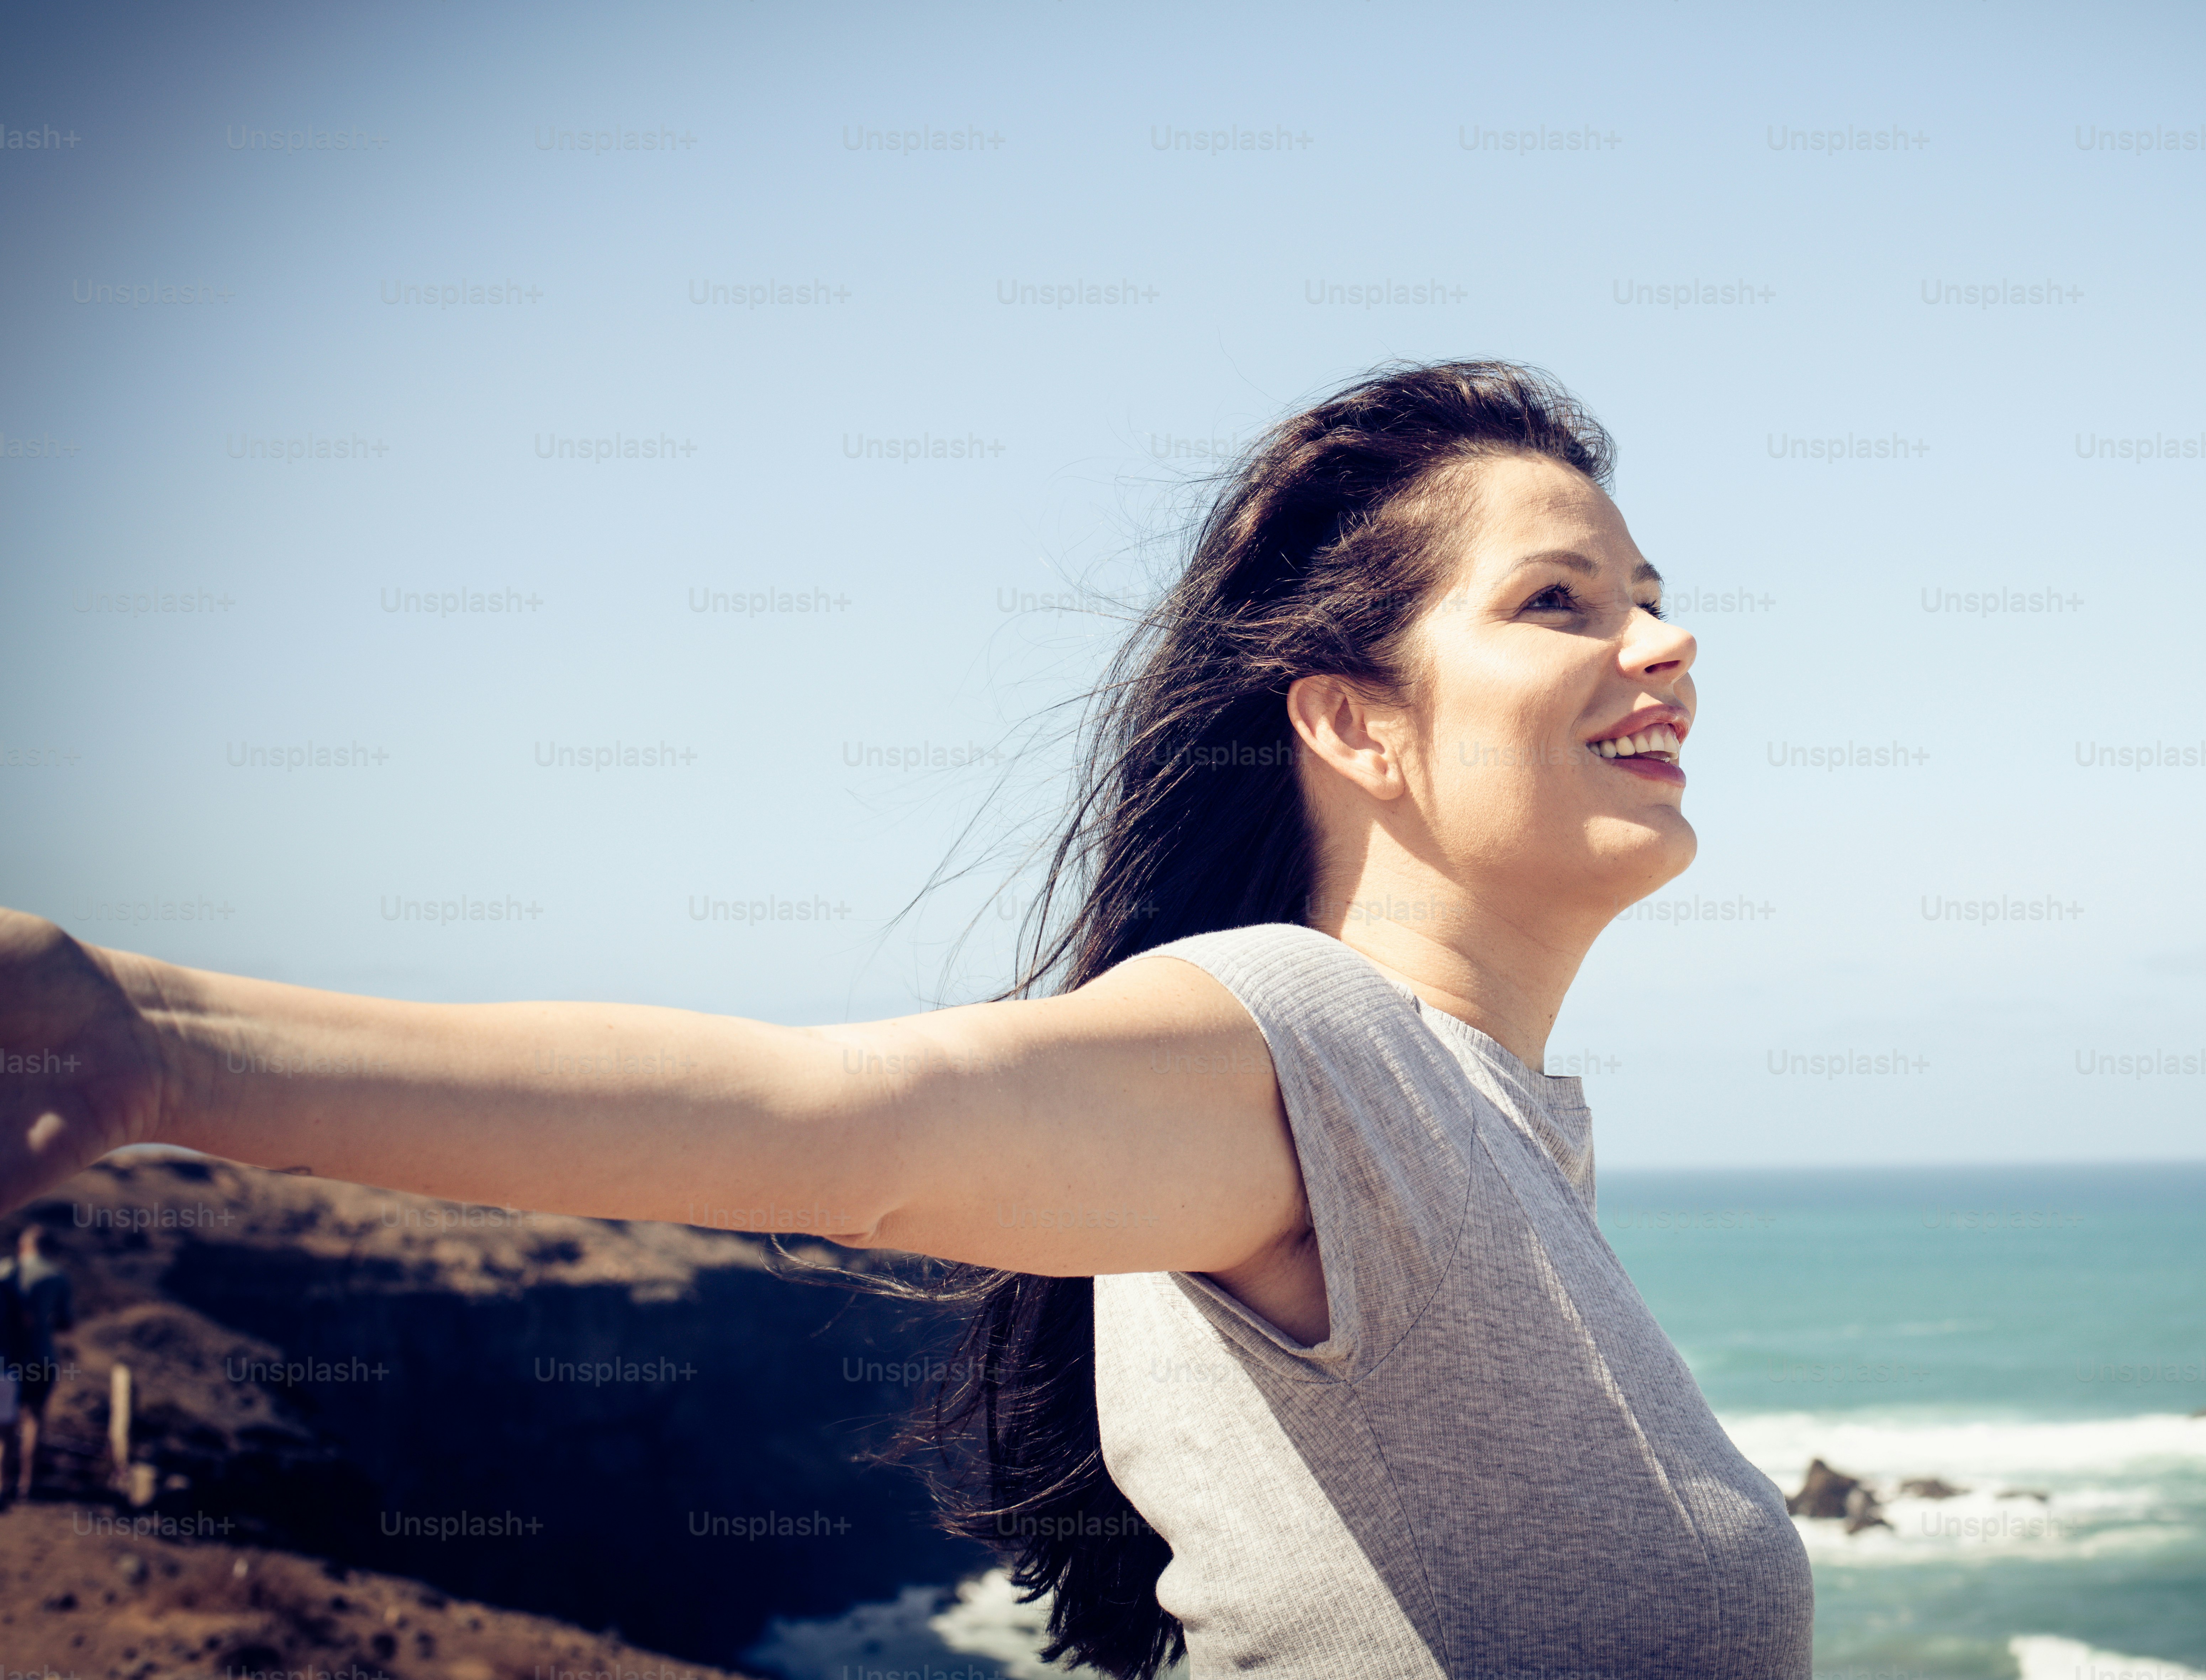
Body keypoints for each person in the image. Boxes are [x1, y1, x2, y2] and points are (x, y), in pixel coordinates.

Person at [0, 361, 1813, 1678]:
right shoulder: (1307, 1040)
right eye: (1560, 601)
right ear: (1352, 721)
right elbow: (836, 1124)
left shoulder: (1484, 1120)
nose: (1665, 645)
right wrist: (155, 1035)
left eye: (1651, 598)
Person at [1, 1222, 73, 1504]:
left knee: (3, 1425)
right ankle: (27, 1484)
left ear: (23, 1246)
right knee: (34, 1419)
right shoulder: (58, 1277)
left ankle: (2, 1482)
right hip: (40, 1358)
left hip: (5, 1359)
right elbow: (67, 1323)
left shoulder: (4, 1271)